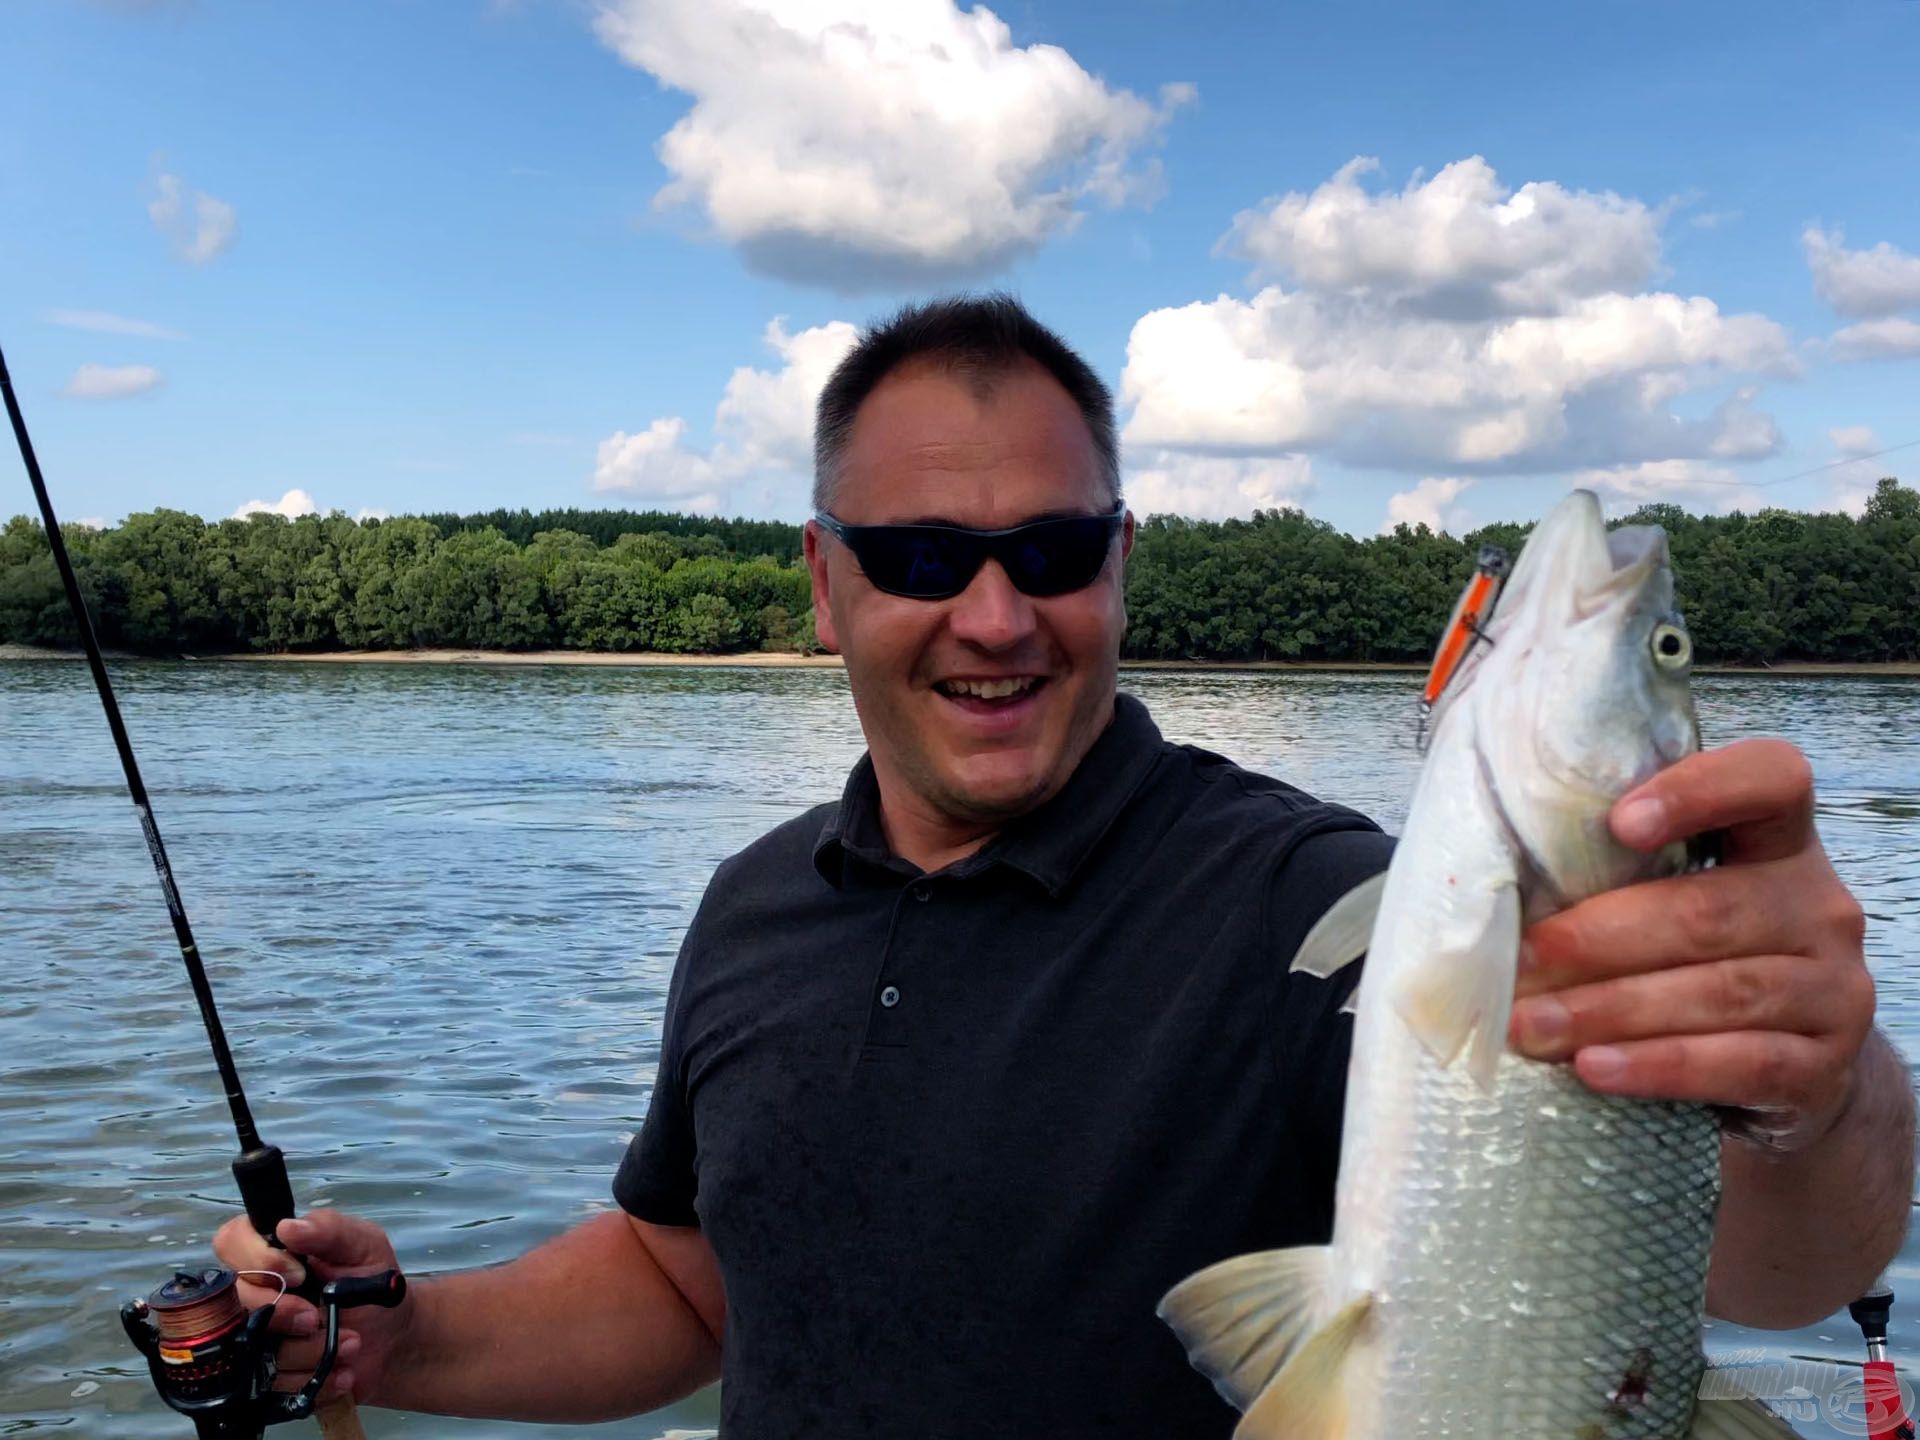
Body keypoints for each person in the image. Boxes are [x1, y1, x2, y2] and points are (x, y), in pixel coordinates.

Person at [215, 295, 1913, 1438]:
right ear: (823, 584)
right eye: (923, 554)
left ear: (1119, 565)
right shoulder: (753, 910)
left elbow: (1755, 1267)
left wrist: (1808, 1094)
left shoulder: (1315, 906)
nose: (996, 612)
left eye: (1048, 549)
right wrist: (402, 1331)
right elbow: (694, 1281)